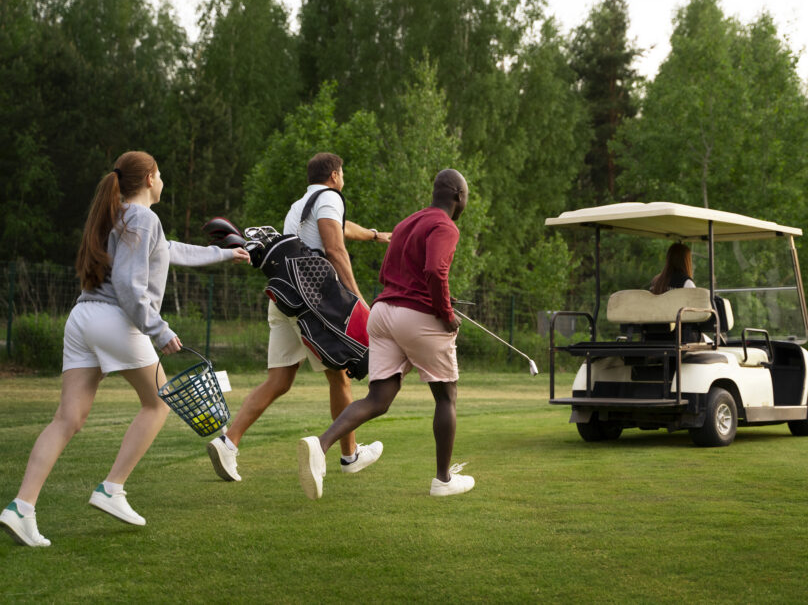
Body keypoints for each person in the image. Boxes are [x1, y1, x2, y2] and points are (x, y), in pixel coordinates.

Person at [0, 151, 249, 548]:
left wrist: (223, 253)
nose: (163, 179)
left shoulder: (119, 216)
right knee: (159, 403)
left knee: (67, 418)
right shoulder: (143, 217)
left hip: (82, 319)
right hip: (116, 319)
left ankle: (21, 508)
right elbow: (130, 287)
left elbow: (170, 250)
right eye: (161, 173)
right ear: (150, 178)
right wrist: (160, 330)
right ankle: (112, 489)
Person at [206, 152, 391, 483]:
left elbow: (342, 229)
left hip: (285, 298)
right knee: (340, 377)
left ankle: (228, 442)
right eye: (343, 173)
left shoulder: (300, 206)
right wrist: (359, 300)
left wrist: (377, 235)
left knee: (279, 380)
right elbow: (334, 249)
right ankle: (349, 455)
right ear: (334, 175)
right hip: (313, 305)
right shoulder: (332, 197)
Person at [297, 168, 473, 500]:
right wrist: (446, 314)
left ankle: (320, 445)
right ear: (459, 198)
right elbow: (436, 270)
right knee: (446, 397)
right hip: (415, 316)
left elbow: (386, 272)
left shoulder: (407, 223)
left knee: (378, 399)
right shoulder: (445, 226)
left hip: (382, 313)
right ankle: (443, 480)